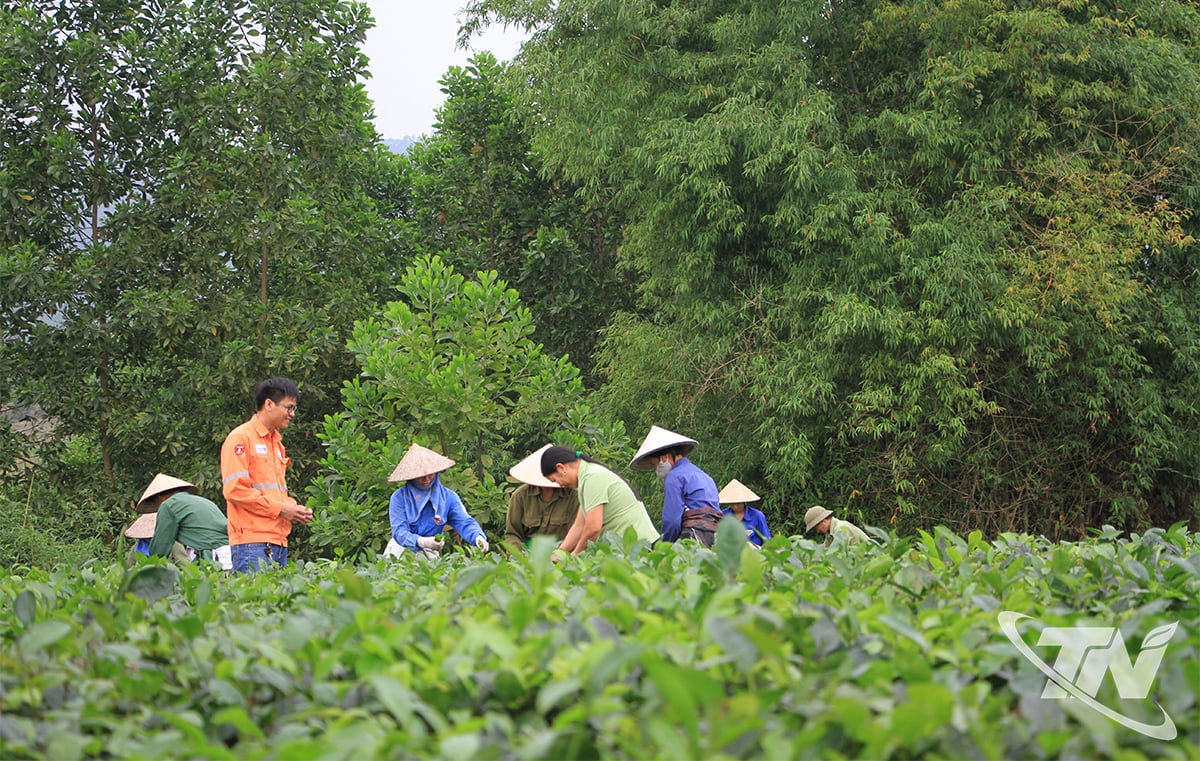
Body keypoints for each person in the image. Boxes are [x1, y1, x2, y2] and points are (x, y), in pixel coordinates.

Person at [220, 377, 313, 572]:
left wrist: (295, 510)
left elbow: (273, 492)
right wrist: (282, 509)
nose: (292, 414)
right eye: (289, 407)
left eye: (294, 408)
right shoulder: (240, 438)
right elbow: (235, 490)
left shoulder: (277, 444)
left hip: (278, 540)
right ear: (269, 404)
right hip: (251, 542)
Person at [541, 446, 659, 555]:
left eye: (555, 480)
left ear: (561, 468)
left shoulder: (592, 477)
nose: (560, 485)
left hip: (640, 548)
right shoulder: (586, 478)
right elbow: (579, 526)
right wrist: (559, 553)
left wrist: (574, 556)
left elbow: (593, 528)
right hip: (629, 548)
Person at [383, 443, 489, 560]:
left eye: (430, 475)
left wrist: (477, 537)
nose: (426, 479)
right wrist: (421, 541)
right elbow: (399, 531)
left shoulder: (448, 497)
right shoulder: (399, 497)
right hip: (399, 549)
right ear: (411, 477)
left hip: (430, 551)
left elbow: (464, 521)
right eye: (421, 476)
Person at [630, 425, 722, 546]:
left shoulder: (674, 477)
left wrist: (664, 545)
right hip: (716, 536)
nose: (656, 469)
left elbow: (672, 521)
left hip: (693, 535)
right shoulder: (705, 476)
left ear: (664, 457)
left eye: (655, 464)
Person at [137, 473, 229, 562]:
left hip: (212, 554)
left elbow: (160, 547)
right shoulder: (203, 501)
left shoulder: (168, 505)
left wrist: (152, 563)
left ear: (159, 497)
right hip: (230, 550)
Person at [504, 444, 580, 550]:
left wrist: (560, 554)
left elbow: (577, 532)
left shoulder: (573, 496)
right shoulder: (521, 496)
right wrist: (518, 556)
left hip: (561, 552)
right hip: (528, 553)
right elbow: (513, 534)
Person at [718, 479, 772, 547]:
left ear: (743, 501)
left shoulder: (757, 516)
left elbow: (767, 540)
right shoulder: (723, 516)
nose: (735, 506)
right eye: (732, 503)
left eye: (738, 503)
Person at [805, 505, 871, 545]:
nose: (818, 530)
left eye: (817, 527)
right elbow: (825, 550)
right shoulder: (830, 533)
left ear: (823, 521)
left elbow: (838, 554)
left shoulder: (840, 529)